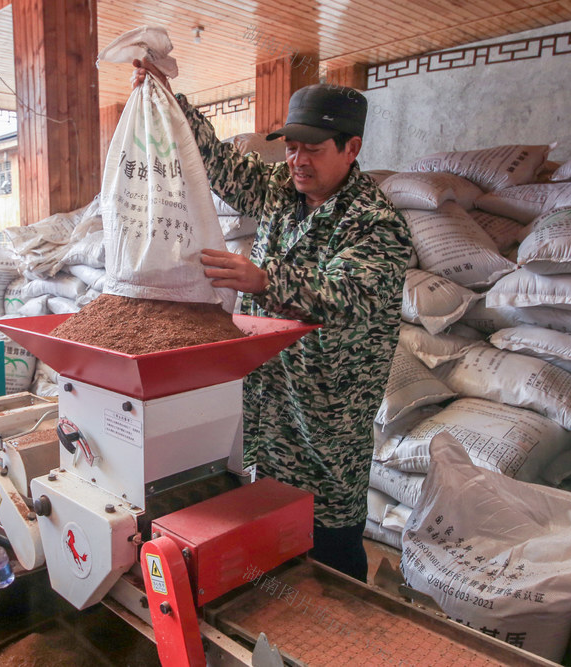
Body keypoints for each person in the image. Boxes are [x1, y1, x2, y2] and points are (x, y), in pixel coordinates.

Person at [132, 60, 412, 582]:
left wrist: (263, 281)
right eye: (290, 146)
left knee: (326, 531)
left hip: (328, 408)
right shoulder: (283, 189)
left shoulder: (376, 224)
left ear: (351, 149)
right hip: (270, 390)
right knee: (267, 517)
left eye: (313, 148)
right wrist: (173, 101)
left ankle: (342, 633)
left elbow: (344, 294)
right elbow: (218, 163)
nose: (297, 160)